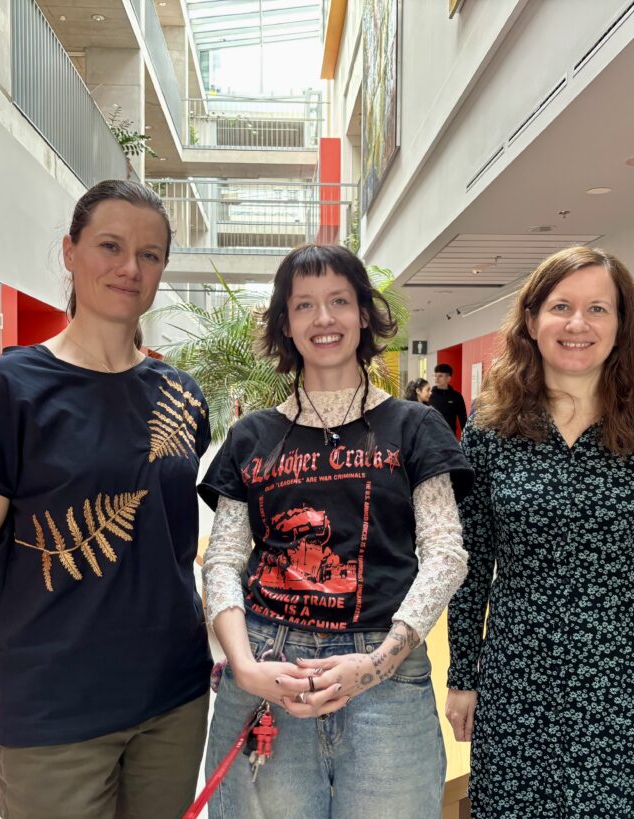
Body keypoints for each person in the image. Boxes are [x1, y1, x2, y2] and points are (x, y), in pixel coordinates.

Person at [0, 180, 212, 819]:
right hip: (53, 706)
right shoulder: (10, 389)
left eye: (149, 255)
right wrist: (23, 652)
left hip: (171, 696)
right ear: (69, 251)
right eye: (110, 246)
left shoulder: (182, 395)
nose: (129, 268)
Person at [198, 243, 473, 819]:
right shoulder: (251, 436)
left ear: (365, 315)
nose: (324, 319)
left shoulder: (415, 426)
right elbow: (223, 558)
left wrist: (378, 662)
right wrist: (243, 667)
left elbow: (446, 553)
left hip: (386, 675)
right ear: (285, 324)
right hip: (269, 666)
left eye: (339, 302)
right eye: (304, 305)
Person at [445, 246, 634, 818]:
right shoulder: (491, 430)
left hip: (628, 681)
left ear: (621, 326)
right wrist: (462, 675)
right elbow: (470, 566)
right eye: (561, 306)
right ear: (532, 321)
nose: (577, 324)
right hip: (519, 681)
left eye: (598, 309)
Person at [429, 363, 468, 436]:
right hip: (431, 436)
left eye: (440, 376)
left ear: (448, 378)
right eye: (435, 376)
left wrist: (466, 437)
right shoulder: (429, 396)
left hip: (450, 436)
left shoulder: (456, 396)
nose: (436, 379)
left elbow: (463, 419)